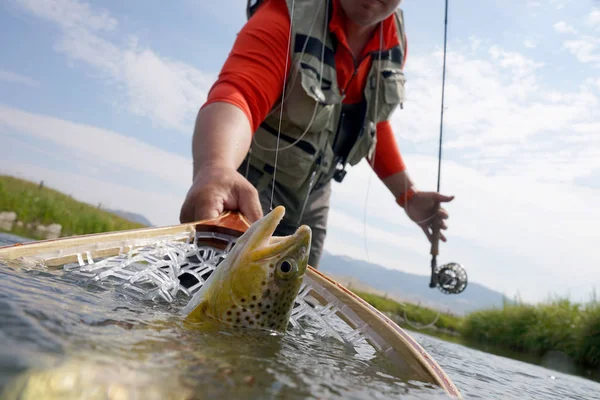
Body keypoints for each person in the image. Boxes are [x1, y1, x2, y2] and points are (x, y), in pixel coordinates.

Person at [179, 0, 454, 269]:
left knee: (293, 301)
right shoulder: (287, 12)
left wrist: (408, 195)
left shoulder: (394, 41)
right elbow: (241, 93)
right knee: (205, 284)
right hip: (248, 192)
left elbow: (373, 123)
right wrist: (216, 166)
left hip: (315, 197)